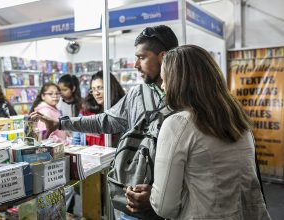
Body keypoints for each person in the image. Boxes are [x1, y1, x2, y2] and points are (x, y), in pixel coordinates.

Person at [30, 25, 179, 218]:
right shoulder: (137, 94)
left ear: (163, 57)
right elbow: (106, 120)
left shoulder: (184, 97)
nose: (135, 65)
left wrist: (159, 194)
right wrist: (60, 123)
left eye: (141, 57)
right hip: (130, 198)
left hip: (167, 203)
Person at [149, 45, 270, 219]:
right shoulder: (237, 118)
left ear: (179, 81)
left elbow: (165, 207)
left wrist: (151, 196)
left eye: (165, 79)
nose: (163, 86)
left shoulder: (178, 124)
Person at [81, 70, 125, 146]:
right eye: (93, 89)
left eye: (100, 88)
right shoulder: (89, 111)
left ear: (111, 87)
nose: (96, 93)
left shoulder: (122, 111)